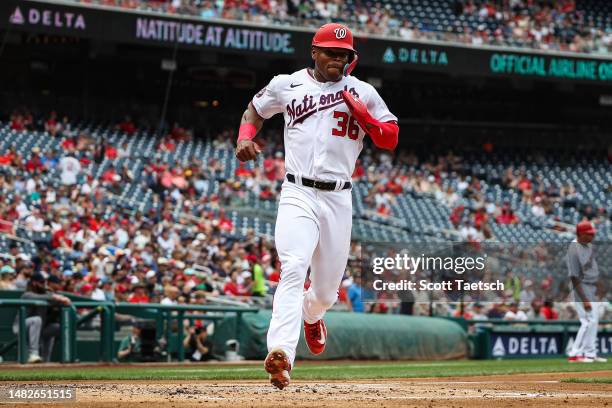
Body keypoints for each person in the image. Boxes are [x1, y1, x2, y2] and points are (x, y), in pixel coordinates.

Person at [235, 23, 398, 389]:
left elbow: (391, 138)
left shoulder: (363, 92)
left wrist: (367, 118)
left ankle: (313, 314)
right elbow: (255, 110)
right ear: (314, 51)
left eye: (344, 54)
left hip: (339, 196)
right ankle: (281, 354)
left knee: (325, 291)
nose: (337, 59)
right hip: (297, 191)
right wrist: (245, 137)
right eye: (330, 52)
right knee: (292, 267)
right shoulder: (286, 84)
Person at [566, 221, 607, 363]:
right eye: (589, 234)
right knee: (587, 321)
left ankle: (590, 353)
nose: (593, 236)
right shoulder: (574, 249)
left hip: (591, 287)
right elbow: (574, 276)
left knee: (593, 321)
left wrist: (598, 285)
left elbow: (591, 269)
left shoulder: (588, 246)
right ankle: (574, 353)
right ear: (580, 234)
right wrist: (584, 299)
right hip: (581, 287)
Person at [13, 273, 71, 363]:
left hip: (40, 328)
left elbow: (55, 299)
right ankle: (33, 353)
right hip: (21, 327)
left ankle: (48, 359)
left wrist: (60, 300)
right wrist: (55, 297)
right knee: (36, 320)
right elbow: (40, 298)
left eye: (44, 282)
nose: (44, 284)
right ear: (34, 283)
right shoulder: (27, 294)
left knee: (57, 327)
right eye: (41, 282)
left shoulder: (46, 293)